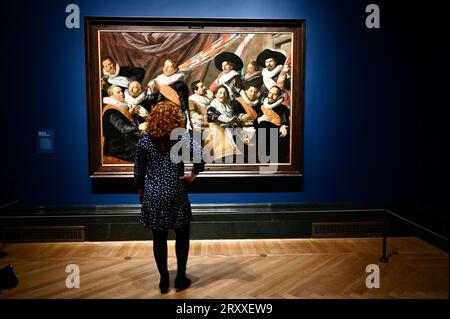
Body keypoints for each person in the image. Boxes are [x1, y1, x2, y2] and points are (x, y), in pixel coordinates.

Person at [134, 101, 205, 294]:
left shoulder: (145, 141)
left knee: (159, 237)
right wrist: (193, 175)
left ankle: (164, 280)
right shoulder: (180, 137)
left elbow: (139, 172)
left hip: (154, 193)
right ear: (176, 118)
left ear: (153, 118)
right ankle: (180, 278)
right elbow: (201, 154)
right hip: (177, 191)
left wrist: (141, 191)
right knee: (182, 235)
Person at [102, 85, 147, 161]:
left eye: (121, 91)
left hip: (125, 142)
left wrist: (130, 114)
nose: (122, 93)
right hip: (119, 147)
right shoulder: (110, 110)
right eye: (118, 92)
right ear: (111, 96)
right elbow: (123, 128)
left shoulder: (119, 108)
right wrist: (139, 127)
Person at [146, 58, 191, 129]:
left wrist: (187, 121)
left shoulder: (180, 85)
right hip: (158, 115)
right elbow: (151, 102)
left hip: (172, 117)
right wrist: (153, 93)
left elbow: (184, 105)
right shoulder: (157, 82)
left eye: (169, 66)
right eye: (164, 65)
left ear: (175, 70)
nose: (165, 68)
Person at [204, 85, 241, 162]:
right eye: (220, 92)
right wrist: (228, 120)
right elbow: (215, 116)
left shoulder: (228, 107)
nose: (222, 95)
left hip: (228, 130)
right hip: (216, 131)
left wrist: (234, 121)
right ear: (216, 94)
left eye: (225, 93)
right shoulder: (212, 106)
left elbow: (233, 119)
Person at [256, 85, 290, 163]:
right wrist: (261, 119)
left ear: (278, 97)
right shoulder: (260, 107)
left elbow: (284, 121)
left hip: (276, 134)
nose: (270, 96)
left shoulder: (283, 108)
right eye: (270, 93)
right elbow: (254, 121)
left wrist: (284, 126)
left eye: (274, 94)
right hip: (261, 134)